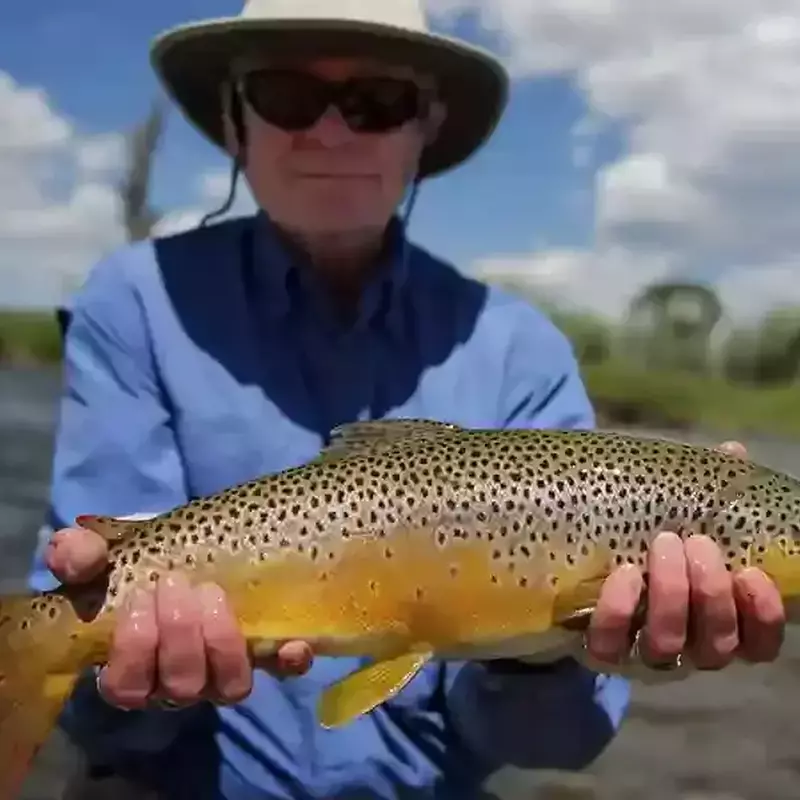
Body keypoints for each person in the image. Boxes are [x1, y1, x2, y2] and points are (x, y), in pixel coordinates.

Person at [29, 1, 786, 798]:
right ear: (232, 116)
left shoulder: (520, 348)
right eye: (286, 96)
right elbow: (95, 706)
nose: (329, 133)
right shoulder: (136, 302)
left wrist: (552, 650)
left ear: (425, 125)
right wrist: (127, 673)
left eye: (376, 103)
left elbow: (552, 743)